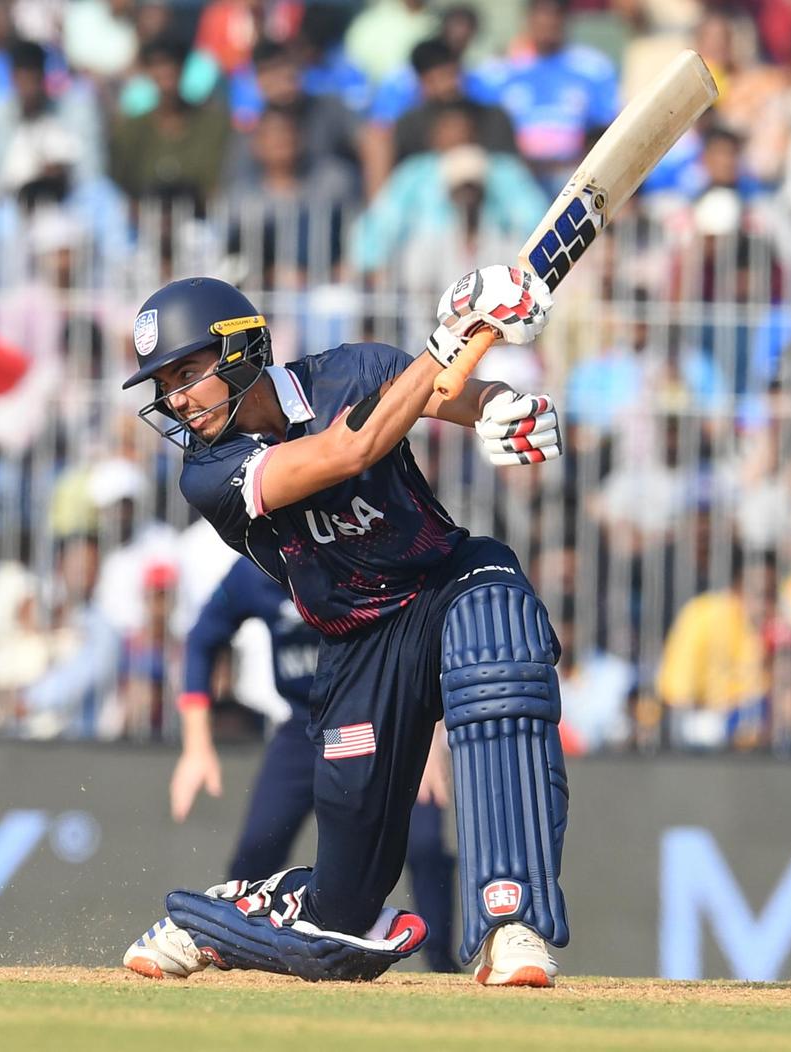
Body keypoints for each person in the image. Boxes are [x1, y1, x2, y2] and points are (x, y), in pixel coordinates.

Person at [119, 270, 567, 987]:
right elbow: (346, 453)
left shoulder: (356, 370)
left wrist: (507, 407)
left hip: (445, 583)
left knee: (501, 650)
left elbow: (455, 396)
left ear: (241, 351)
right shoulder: (208, 473)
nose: (175, 398)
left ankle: (511, 925)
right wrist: (447, 338)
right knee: (344, 920)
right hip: (358, 645)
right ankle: (252, 906)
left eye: (188, 372)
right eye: (163, 383)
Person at [174, 555, 460, 972]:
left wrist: (427, 735)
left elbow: (424, 629)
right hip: (306, 729)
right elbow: (202, 638)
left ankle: (442, 970)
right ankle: (231, 958)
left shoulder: (362, 551)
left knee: (425, 845)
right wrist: (196, 747)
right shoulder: (257, 567)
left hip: (380, 723)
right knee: (255, 850)